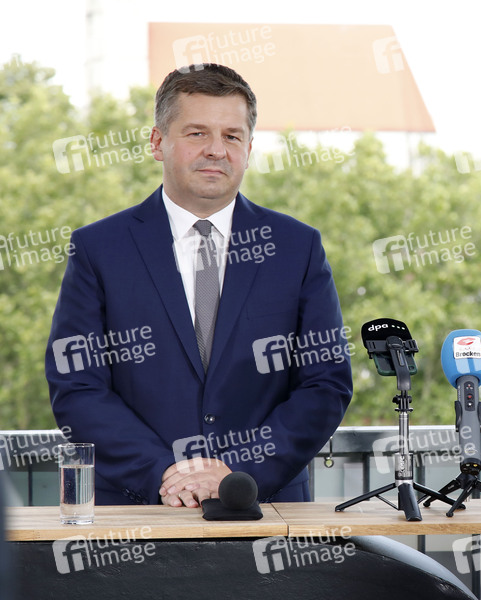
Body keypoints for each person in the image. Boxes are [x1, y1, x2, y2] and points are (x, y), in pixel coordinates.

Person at [45, 63, 352, 508]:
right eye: (197, 133)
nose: (216, 150)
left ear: (249, 148)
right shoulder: (99, 249)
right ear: (157, 142)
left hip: (266, 507)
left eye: (232, 136)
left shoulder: (296, 247)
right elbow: (77, 386)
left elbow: (325, 384)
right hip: (139, 507)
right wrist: (165, 474)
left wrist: (236, 473)